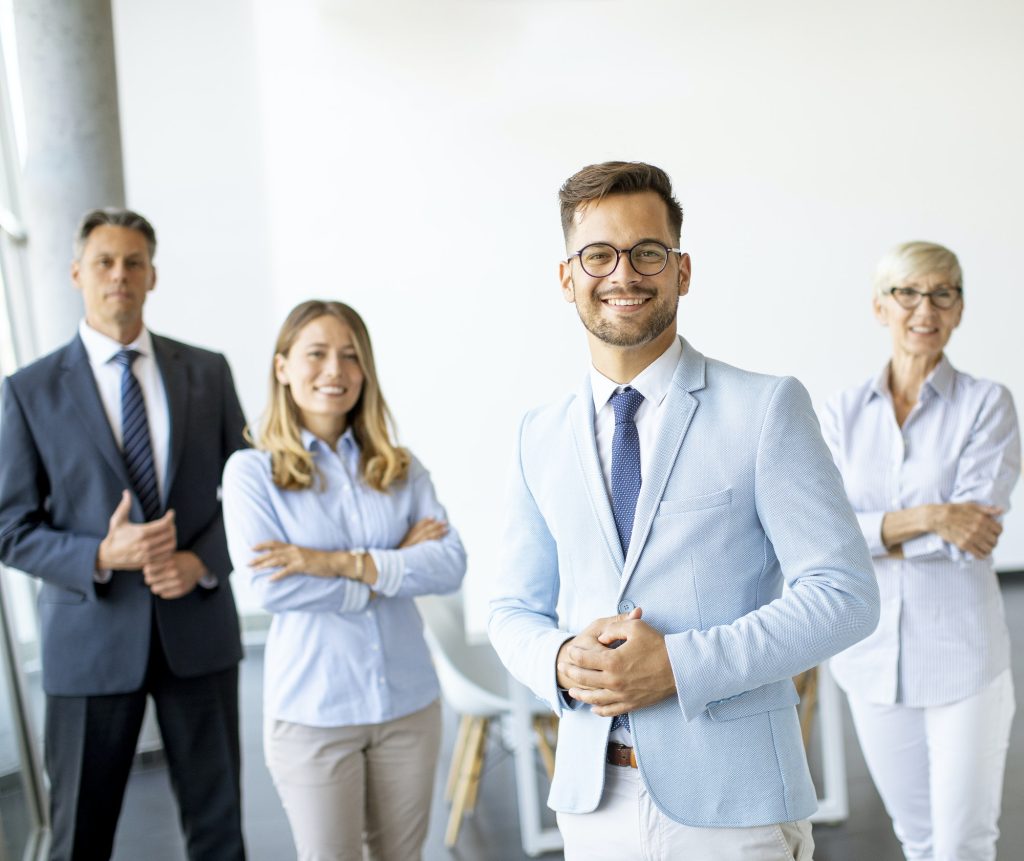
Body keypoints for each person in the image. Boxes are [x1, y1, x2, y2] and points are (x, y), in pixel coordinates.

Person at [488, 161, 879, 860]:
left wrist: (679, 664)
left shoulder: (766, 408)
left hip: (737, 805)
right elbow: (512, 608)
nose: (624, 274)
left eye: (647, 252)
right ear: (566, 277)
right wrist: (560, 658)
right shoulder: (537, 434)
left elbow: (845, 596)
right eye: (598, 254)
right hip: (593, 801)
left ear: (682, 270)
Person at [0, 209, 247, 860]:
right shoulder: (27, 391)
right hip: (89, 644)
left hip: (197, 633)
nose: (120, 274)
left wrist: (201, 561)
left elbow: (253, 497)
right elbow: (9, 526)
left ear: (153, 275)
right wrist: (98, 554)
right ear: (77, 273)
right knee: (78, 837)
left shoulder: (208, 372)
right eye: (105, 262)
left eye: (134, 261)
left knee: (221, 835)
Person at [222, 299, 466, 861]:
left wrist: (335, 561)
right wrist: (394, 562)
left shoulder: (398, 465)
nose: (335, 370)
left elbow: (450, 564)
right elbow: (270, 588)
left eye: (351, 356)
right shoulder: (252, 473)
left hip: (408, 708)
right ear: (282, 366)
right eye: (317, 354)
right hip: (314, 716)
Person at [821, 241, 1019, 861]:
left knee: (963, 844)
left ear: (959, 309)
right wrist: (934, 515)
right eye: (907, 293)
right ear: (881, 308)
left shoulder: (988, 405)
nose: (924, 308)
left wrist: (870, 534)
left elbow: (975, 538)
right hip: (871, 661)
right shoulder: (841, 414)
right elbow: (822, 535)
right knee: (917, 840)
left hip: (963, 662)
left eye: (942, 293)